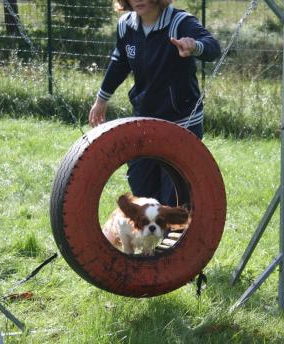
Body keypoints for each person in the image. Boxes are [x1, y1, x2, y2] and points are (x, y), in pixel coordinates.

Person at [88, 0, 221, 207]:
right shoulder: (126, 25)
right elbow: (119, 63)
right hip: (144, 119)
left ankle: (177, 236)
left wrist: (194, 46)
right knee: (141, 185)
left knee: (174, 195)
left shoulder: (180, 22)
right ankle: (154, 236)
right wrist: (101, 100)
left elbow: (213, 47)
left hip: (181, 119)